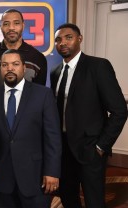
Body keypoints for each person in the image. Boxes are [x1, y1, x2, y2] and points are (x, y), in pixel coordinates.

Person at [51, 23, 128, 208]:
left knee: (94, 202)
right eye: (58, 39)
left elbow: (119, 110)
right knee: (68, 198)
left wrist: (101, 146)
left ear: (79, 39)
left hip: (90, 149)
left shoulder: (98, 66)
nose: (63, 42)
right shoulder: (56, 72)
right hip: (63, 150)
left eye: (68, 37)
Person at [0, 49, 62, 208]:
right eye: (5, 65)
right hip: (2, 178)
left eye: (15, 64)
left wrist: (52, 171)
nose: (10, 68)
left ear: (24, 68)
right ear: (1, 69)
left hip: (35, 177)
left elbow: (53, 137)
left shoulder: (43, 95)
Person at [0, 8, 47, 107]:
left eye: (16, 23)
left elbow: (38, 96)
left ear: (23, 25)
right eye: (6, 24)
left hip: (27, 121)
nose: (11, 28)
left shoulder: (37, 58)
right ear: (0, 27)